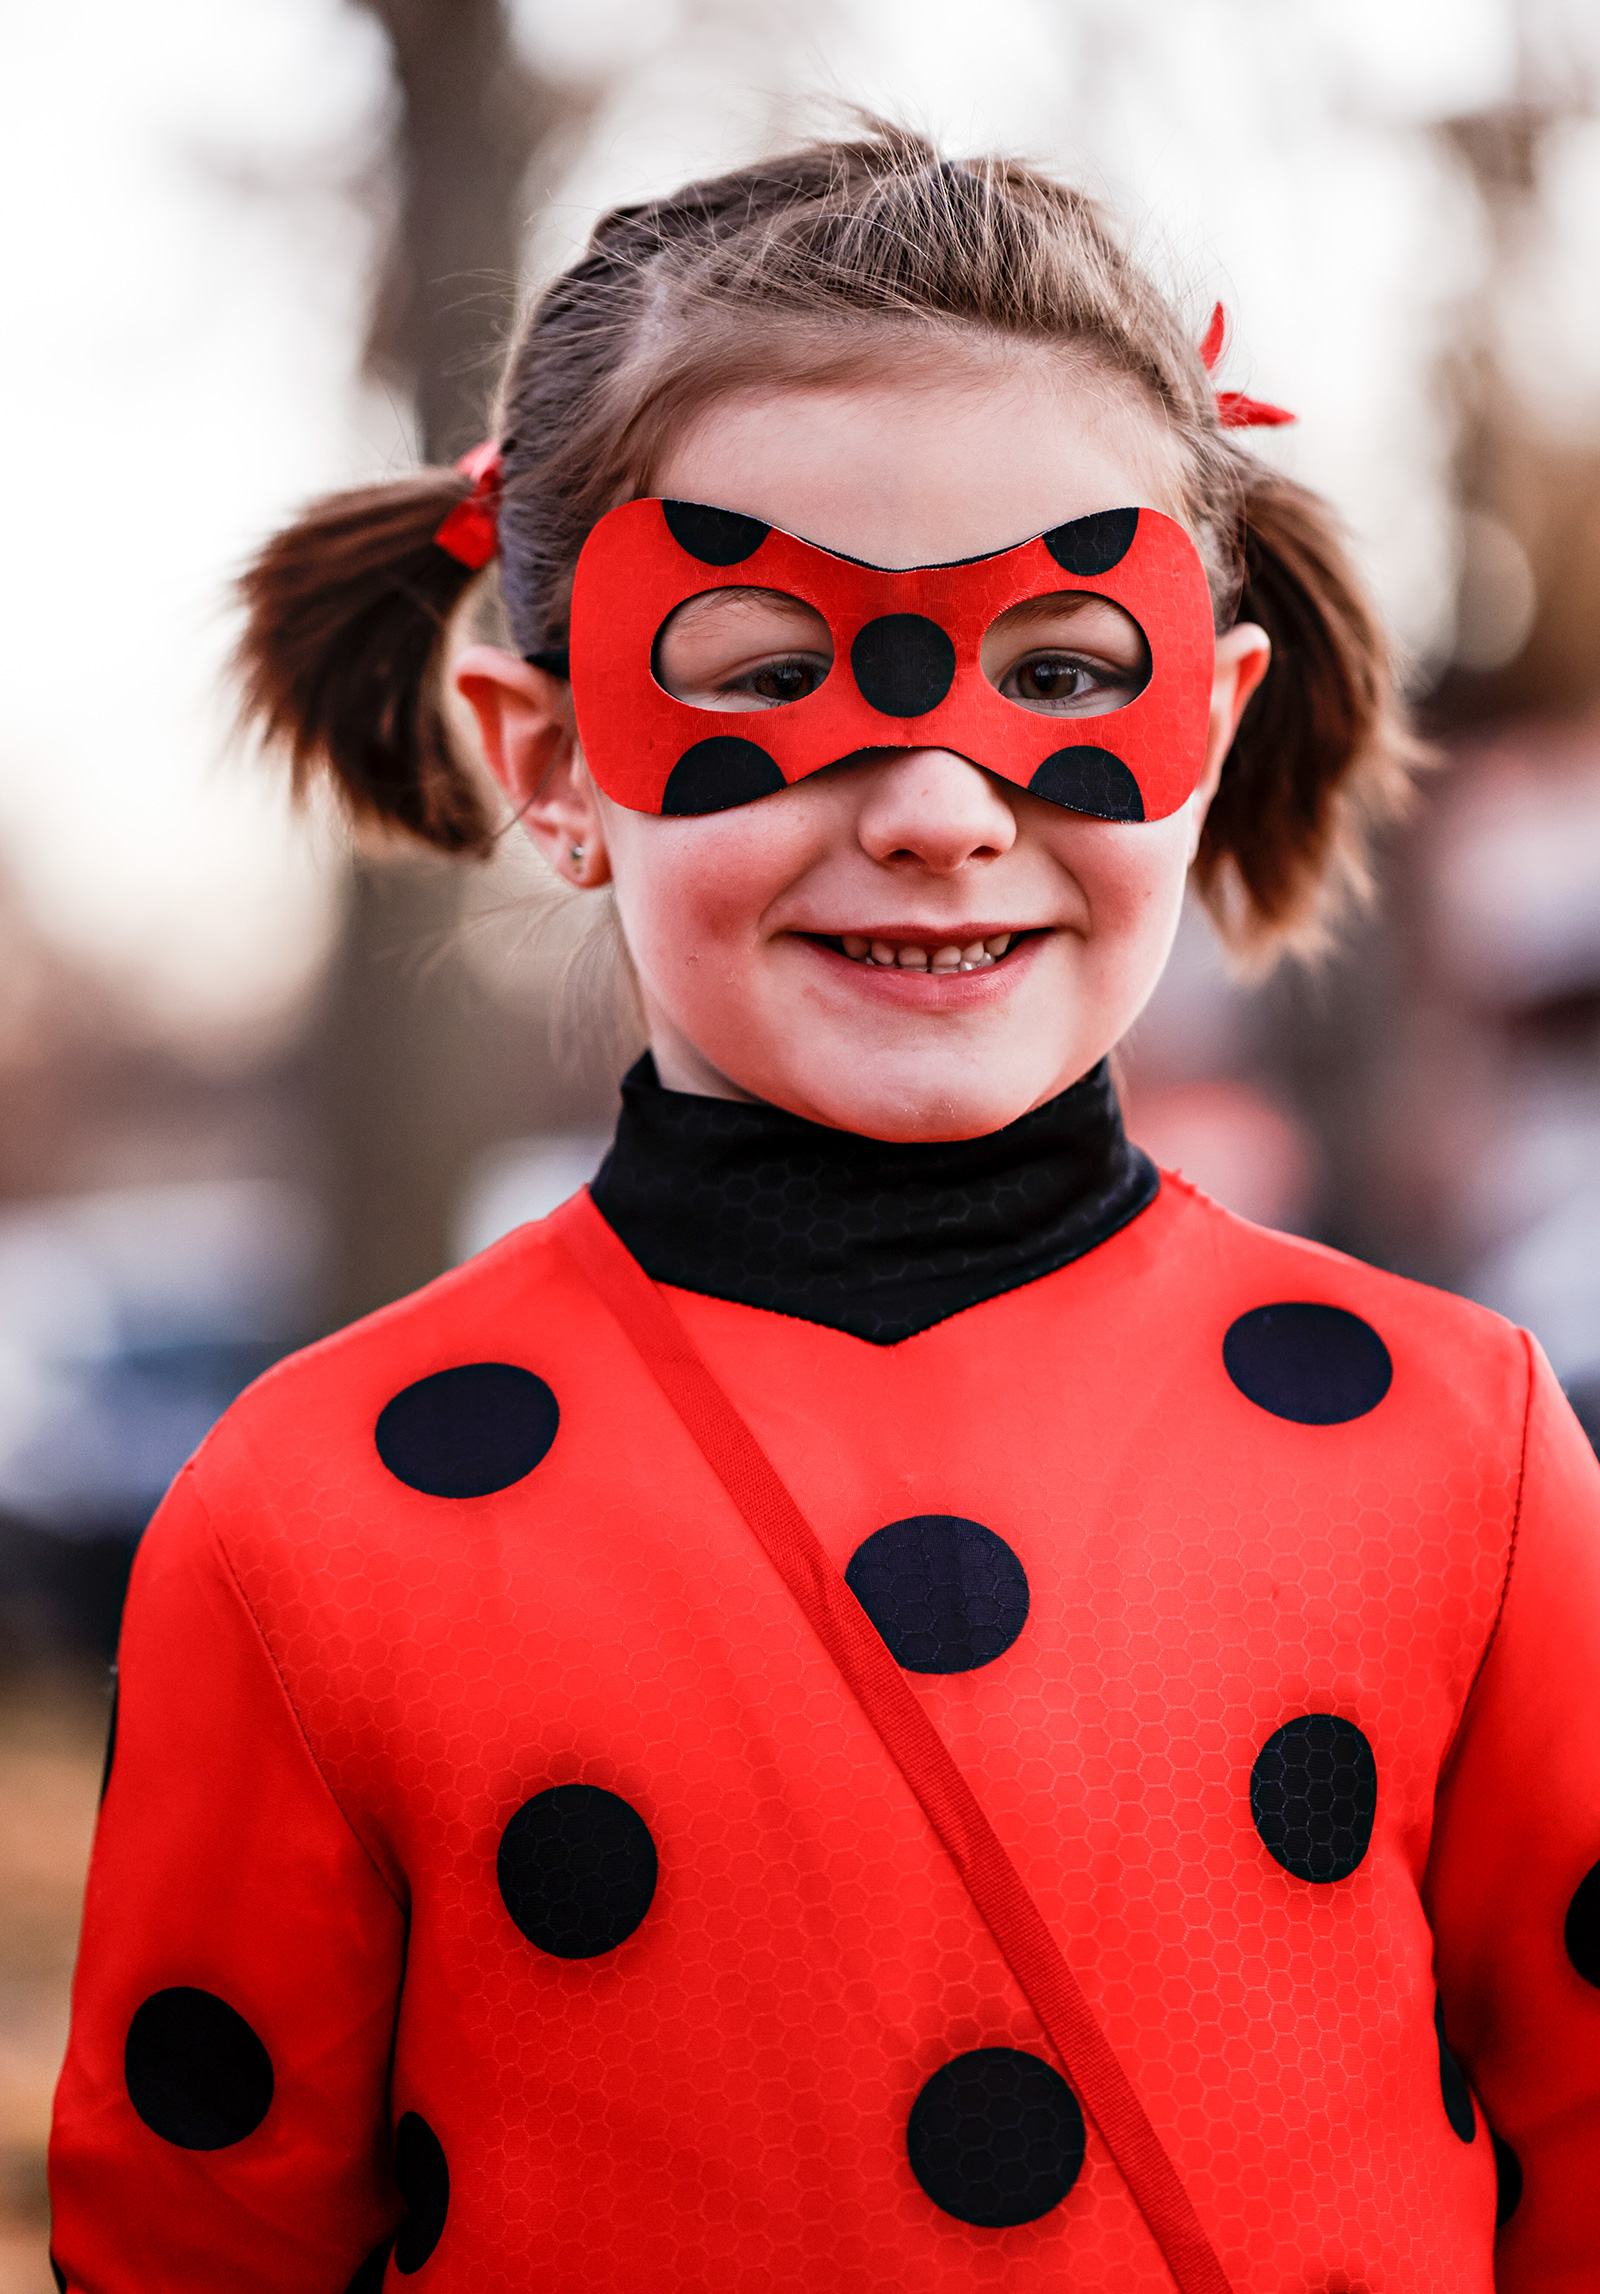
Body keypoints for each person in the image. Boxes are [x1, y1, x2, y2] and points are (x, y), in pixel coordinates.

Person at [49, 128, 1600, 2294]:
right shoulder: (305, 1518)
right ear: (552, 759)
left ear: (1211, 725)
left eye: (1063, 671)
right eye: (766, 670)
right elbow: (192, 2240)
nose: (940, 806)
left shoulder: (1465, 1449)